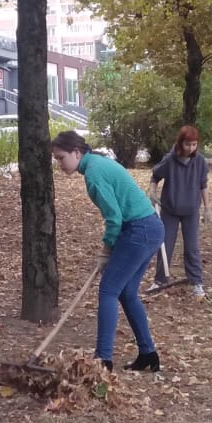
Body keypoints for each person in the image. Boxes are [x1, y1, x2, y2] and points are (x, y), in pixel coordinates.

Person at [51, 129, 164, 372]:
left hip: (139, 230)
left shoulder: (94, 173)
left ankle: (103, 359)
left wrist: (105, 251)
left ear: (76, 152)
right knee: (127, 293)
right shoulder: (97, 164)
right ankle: (148, 353)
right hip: (150, 228)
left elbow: (114, 218)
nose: (59, 164)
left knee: (108, 291)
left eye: (61, 158)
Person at [147, 124, 210, 299]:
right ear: (180, 143)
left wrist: (207, 208)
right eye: (187, 144)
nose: (191, 148)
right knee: (165, 245)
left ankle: (196, 281)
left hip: (191, 210)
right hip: (170, 209)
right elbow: (155, 176)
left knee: (192, 247)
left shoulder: (200, 162)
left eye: (194, 144)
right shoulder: (169, 160)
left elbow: (203, 185)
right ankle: (160, 280)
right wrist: (152, 192)